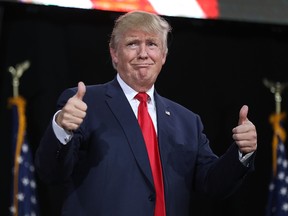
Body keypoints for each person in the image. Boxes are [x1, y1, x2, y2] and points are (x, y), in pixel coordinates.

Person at [35, 10, 257, 216]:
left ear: (164, 55)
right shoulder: (85, 104)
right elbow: (50, 172)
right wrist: (62, 128)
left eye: (152, 44)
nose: (143, 53)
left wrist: (241, 153)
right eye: (133, 44)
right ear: (114, 53)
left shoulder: (188, 121)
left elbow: (212, 183)